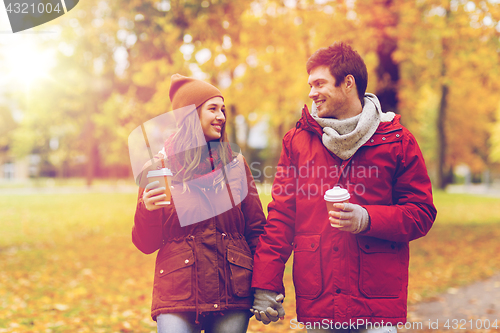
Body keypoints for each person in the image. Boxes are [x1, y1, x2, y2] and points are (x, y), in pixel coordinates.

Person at [250, 42, 437, 332]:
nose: (311, 93)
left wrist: (368, 219)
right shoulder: (296, 142)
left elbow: (421, 212)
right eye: (310, 84)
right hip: (319, 298)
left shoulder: (398, 141)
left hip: (377, 302)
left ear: (348, 83)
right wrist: (265, 284)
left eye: (319, 83)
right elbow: (281, 218)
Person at [133, 74, 266, 333]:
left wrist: (265, 286)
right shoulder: (158, 169)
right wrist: (146, 211)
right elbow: (145, 243)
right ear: (191, 116)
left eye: (223, 109)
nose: (222, 117)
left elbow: (257, 230)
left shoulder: (237, 166)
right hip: (177, 293)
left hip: (233, 290)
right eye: (213, 109)